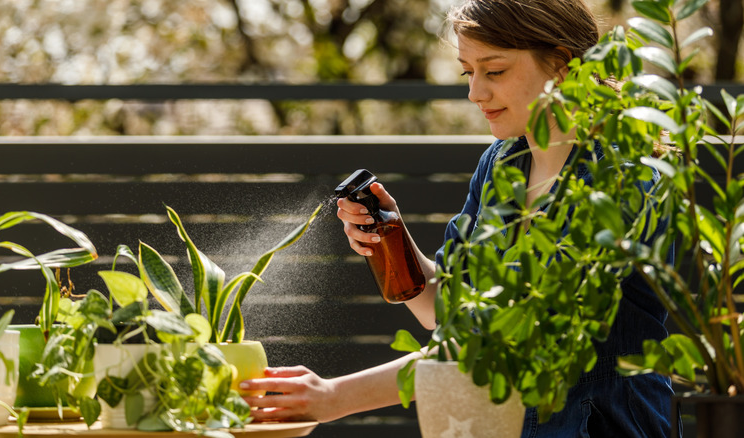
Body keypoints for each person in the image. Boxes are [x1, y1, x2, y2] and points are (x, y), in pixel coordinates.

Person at [240, 0, 676, 436]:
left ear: (561, 66)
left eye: (495, 71)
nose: (475, 93)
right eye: (469, 72)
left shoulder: (626, 181)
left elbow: (513, 340)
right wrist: (390, 240)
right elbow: (447, 311)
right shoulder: (503, 164)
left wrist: (335, 397)